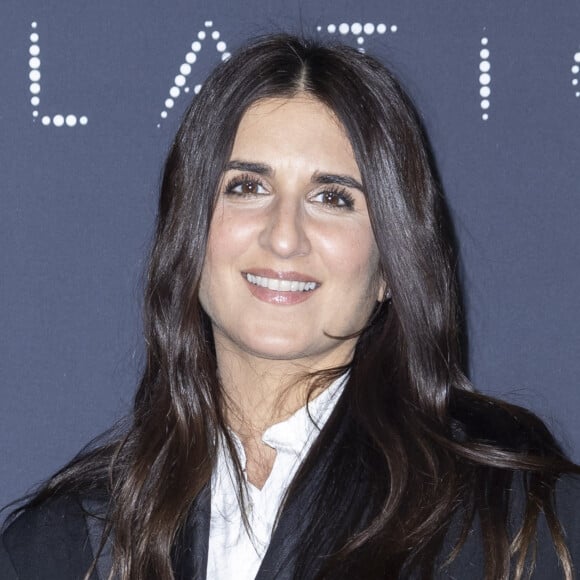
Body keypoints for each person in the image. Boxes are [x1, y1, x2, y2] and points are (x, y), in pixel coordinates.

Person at [1, 33, 579, 580]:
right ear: (189, 236)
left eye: (333, 198)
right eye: (246, 187)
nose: (284, 236)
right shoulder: (66, 544)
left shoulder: (513, 522)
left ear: (390, 267)